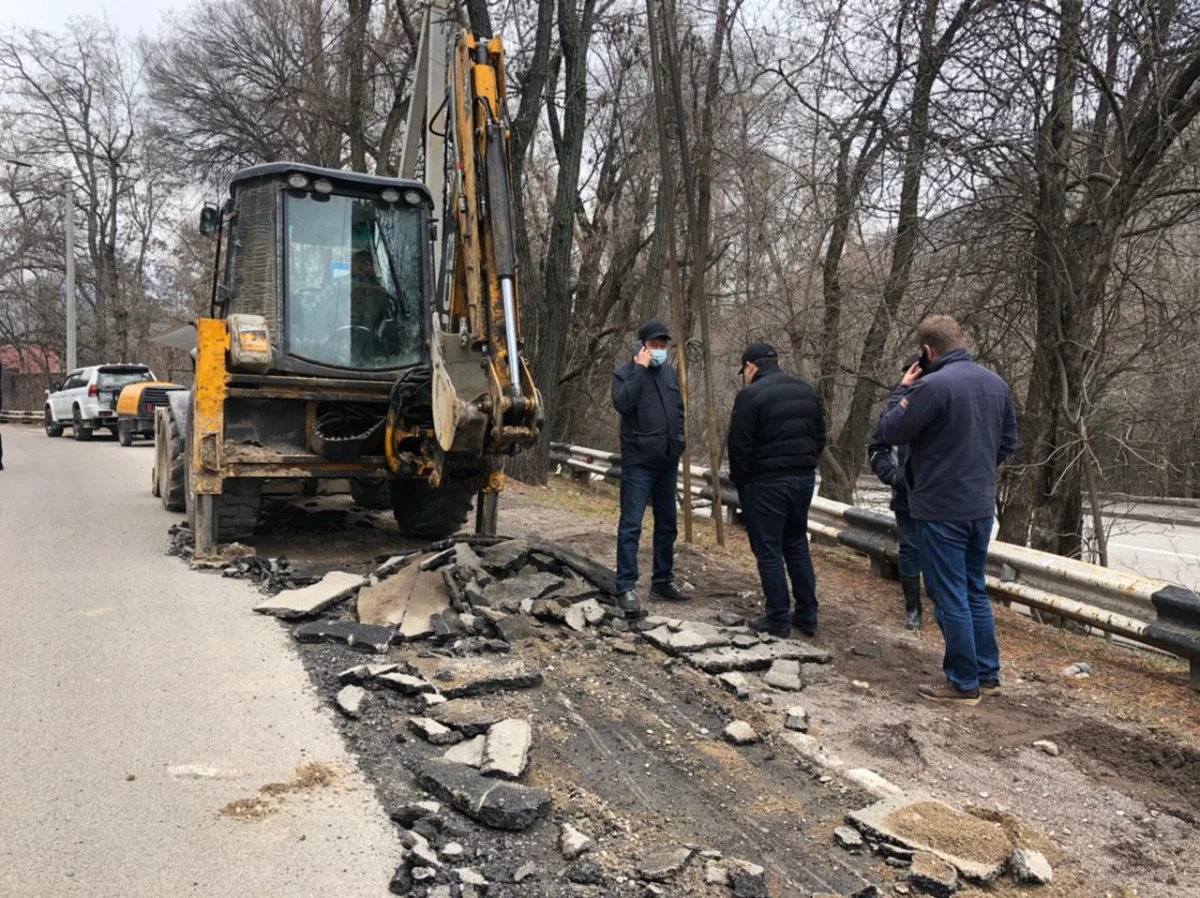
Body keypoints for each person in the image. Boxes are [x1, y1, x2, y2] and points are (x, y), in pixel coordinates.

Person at [878, 315, 1018, 705]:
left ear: (927, 351)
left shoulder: (929, 387)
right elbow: (1008, 443)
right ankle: (988, 675)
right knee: (975, 590)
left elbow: (891, 431)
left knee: (949, 594)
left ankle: (962, 682)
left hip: (940, 506)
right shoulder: (997, 384)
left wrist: (900, 391)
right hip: (979, 505)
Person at [727, 342, 826, 638]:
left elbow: (739, 445)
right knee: (796, 544)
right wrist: (805, 464)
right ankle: (808, 614)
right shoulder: (806, 390)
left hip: (766, 482)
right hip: (803, 479)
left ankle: (778, 617)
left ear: (750, 367)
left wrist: (742, 482)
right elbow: (819, 436)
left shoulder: (750, 395)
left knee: (768, 549)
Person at [611, 318, 689, 617]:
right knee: (631, 525)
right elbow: (622, 404)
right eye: (653, 346)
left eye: (662, 346)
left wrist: (679, 441)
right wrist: (640, 369)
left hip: (667, 461)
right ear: (640, 347)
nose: (658, 351)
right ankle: (626, 585)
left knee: (668, 525)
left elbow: (679, 411)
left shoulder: (670, 374)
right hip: (639, 462)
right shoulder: (625, 374)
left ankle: (663, 580)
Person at [868, 355, 923, 630]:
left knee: (942, 553)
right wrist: (892, 476)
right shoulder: (894, 412)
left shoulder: (945, 404)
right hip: (906, 495)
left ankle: (946, 607)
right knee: (910, 550)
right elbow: (877, 448)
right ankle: (913, 608)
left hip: (942, 495)